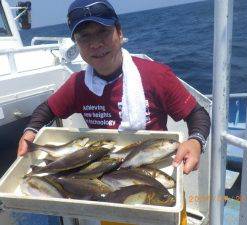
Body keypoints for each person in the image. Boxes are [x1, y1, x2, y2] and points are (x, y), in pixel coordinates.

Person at [17, 0, 210, 174]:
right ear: (76, 44)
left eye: (103, 31)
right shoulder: (78, 84)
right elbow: (47, 109)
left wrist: (196, 141)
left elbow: (197, 114)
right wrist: (31, 130)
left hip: (157, 171)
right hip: (104, 171)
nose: (95, 44)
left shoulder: (156, 75)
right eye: (84, 37)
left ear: (119, 32)